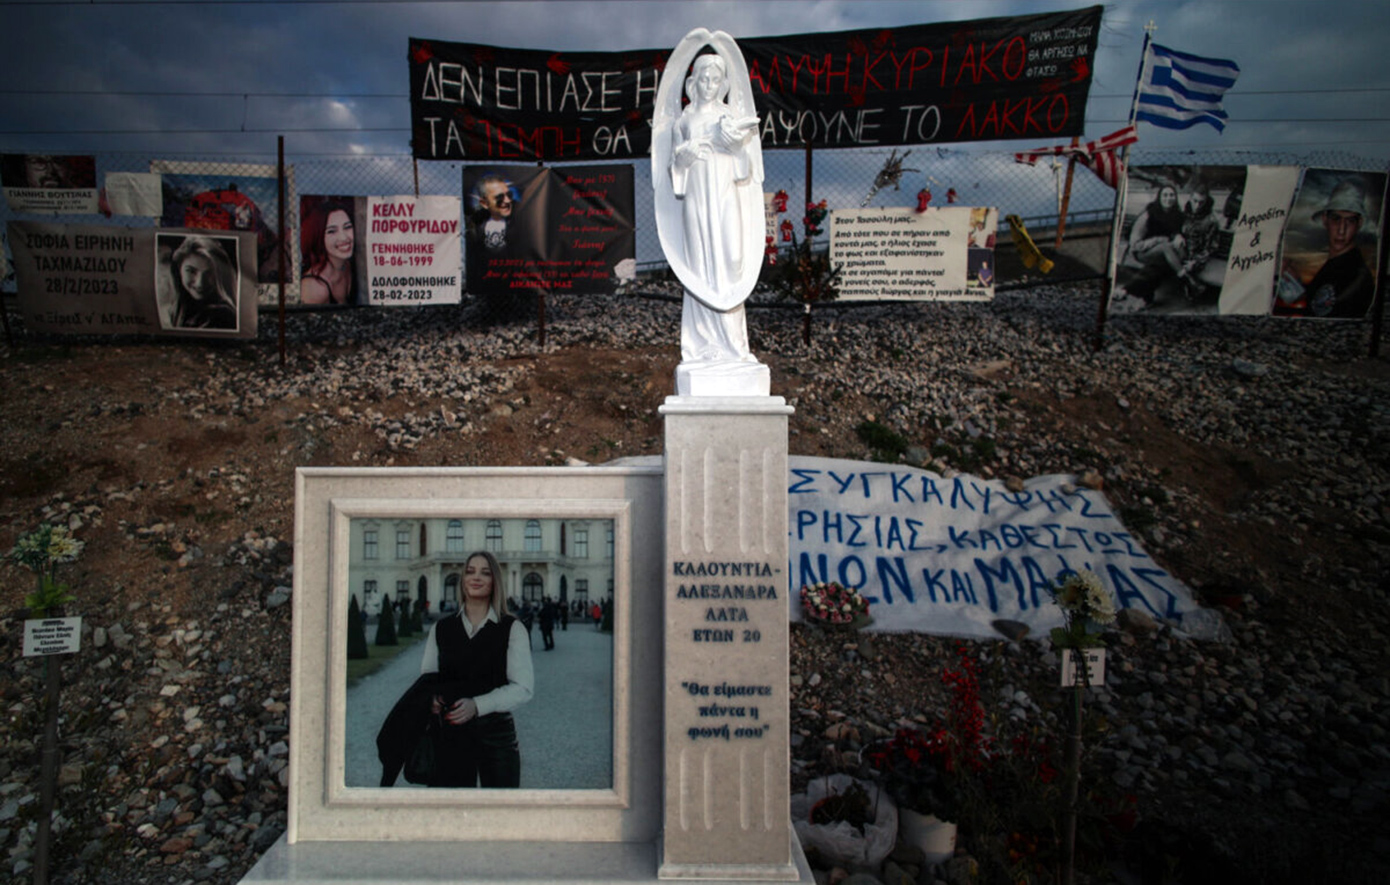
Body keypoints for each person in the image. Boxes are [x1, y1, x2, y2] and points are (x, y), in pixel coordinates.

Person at [416, 551, 533, 787]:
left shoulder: (512, 628)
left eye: (485, 573)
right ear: (463, 579)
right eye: (470, 571)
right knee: (454, 807)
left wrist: (477, 705)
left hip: (496, 735)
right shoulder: (441, 628)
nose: (476, 577)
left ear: (495, 581)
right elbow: (427, 680)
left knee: (500, 807)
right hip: (451, 732)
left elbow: (523, 688)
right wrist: (432, 699)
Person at [1283, 178, 1376, 318]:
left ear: (1359, 224)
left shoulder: (1355, 273)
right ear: (1325, 219)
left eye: (1350, 221)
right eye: (1336, 219)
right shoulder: (1337, 266)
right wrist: (1297, 287)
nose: (1341, 230)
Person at [1121, 183, 1186, 304]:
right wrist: (1158, 240)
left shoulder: (1176, 215)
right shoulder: (1148, 215)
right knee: (1165, 249)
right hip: (1142, 252)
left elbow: (1173, 231)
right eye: (1165, 195)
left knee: (1158, 267)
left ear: (1175, 197)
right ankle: (1186, 278)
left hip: (1164, 253)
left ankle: (1133, 292)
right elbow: (1135, 245)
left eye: (1171, 195)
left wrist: (1178, 235)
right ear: (1159, 197)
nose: (1168, 198)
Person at [166, 236, 238, 330]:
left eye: (209, 274)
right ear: (179, 269)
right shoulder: (178, 308)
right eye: (191, 271)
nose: (200, 283)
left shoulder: (221, 316)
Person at [300, 200, 357, 305]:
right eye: (332, 231)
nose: (344, 237)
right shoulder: (314, 288)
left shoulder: (347, 267)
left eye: (347, 227)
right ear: (318, 237)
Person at [1178, 182, 1220, 302]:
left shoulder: (1211, 221)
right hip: (1181, 251)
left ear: (1206, 201)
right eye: (1195, 201)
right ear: (1190, 198)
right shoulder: (1184, 214)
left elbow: (1211, 248)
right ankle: (1192, 283)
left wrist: (1195, 262)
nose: (1197, 205)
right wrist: (1177, 236)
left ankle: (1191, 284)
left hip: (1196, 256)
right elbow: (1175, 230)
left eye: (1201, 202)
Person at [469, 174, 516, 253]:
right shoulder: (476, 229)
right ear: (484, 203)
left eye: (509, 195)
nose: (507, 201)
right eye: (499, 197)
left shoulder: (521, 222)